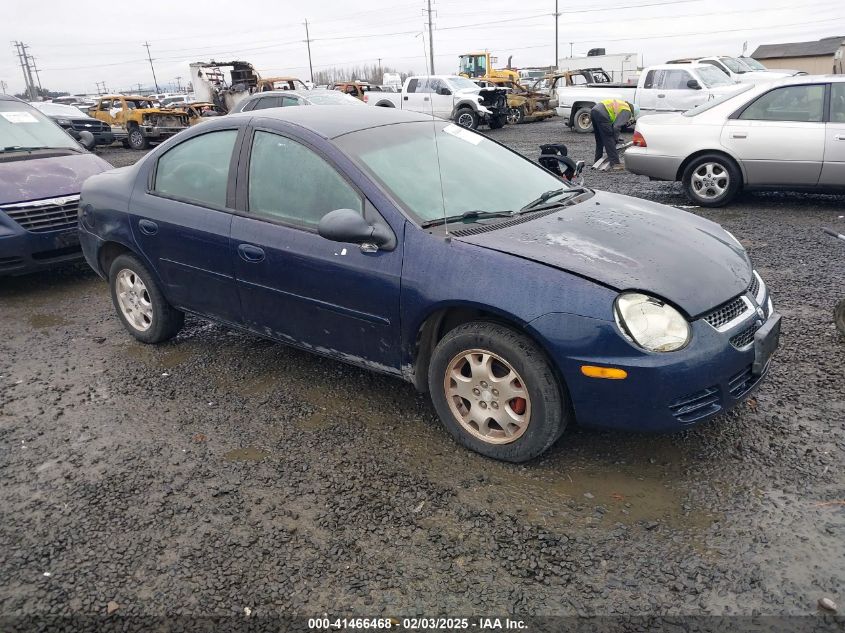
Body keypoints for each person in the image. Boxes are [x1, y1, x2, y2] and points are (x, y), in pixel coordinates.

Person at [590, 99, 638, 171]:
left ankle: (597, 161)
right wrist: (616, 140)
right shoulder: (627, 110)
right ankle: (616, 164)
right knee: (609, 139)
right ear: (633, 112)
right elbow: (616, 127)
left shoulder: (622, 105)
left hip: (594, 110)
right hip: (603, 113)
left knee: (599, 140)